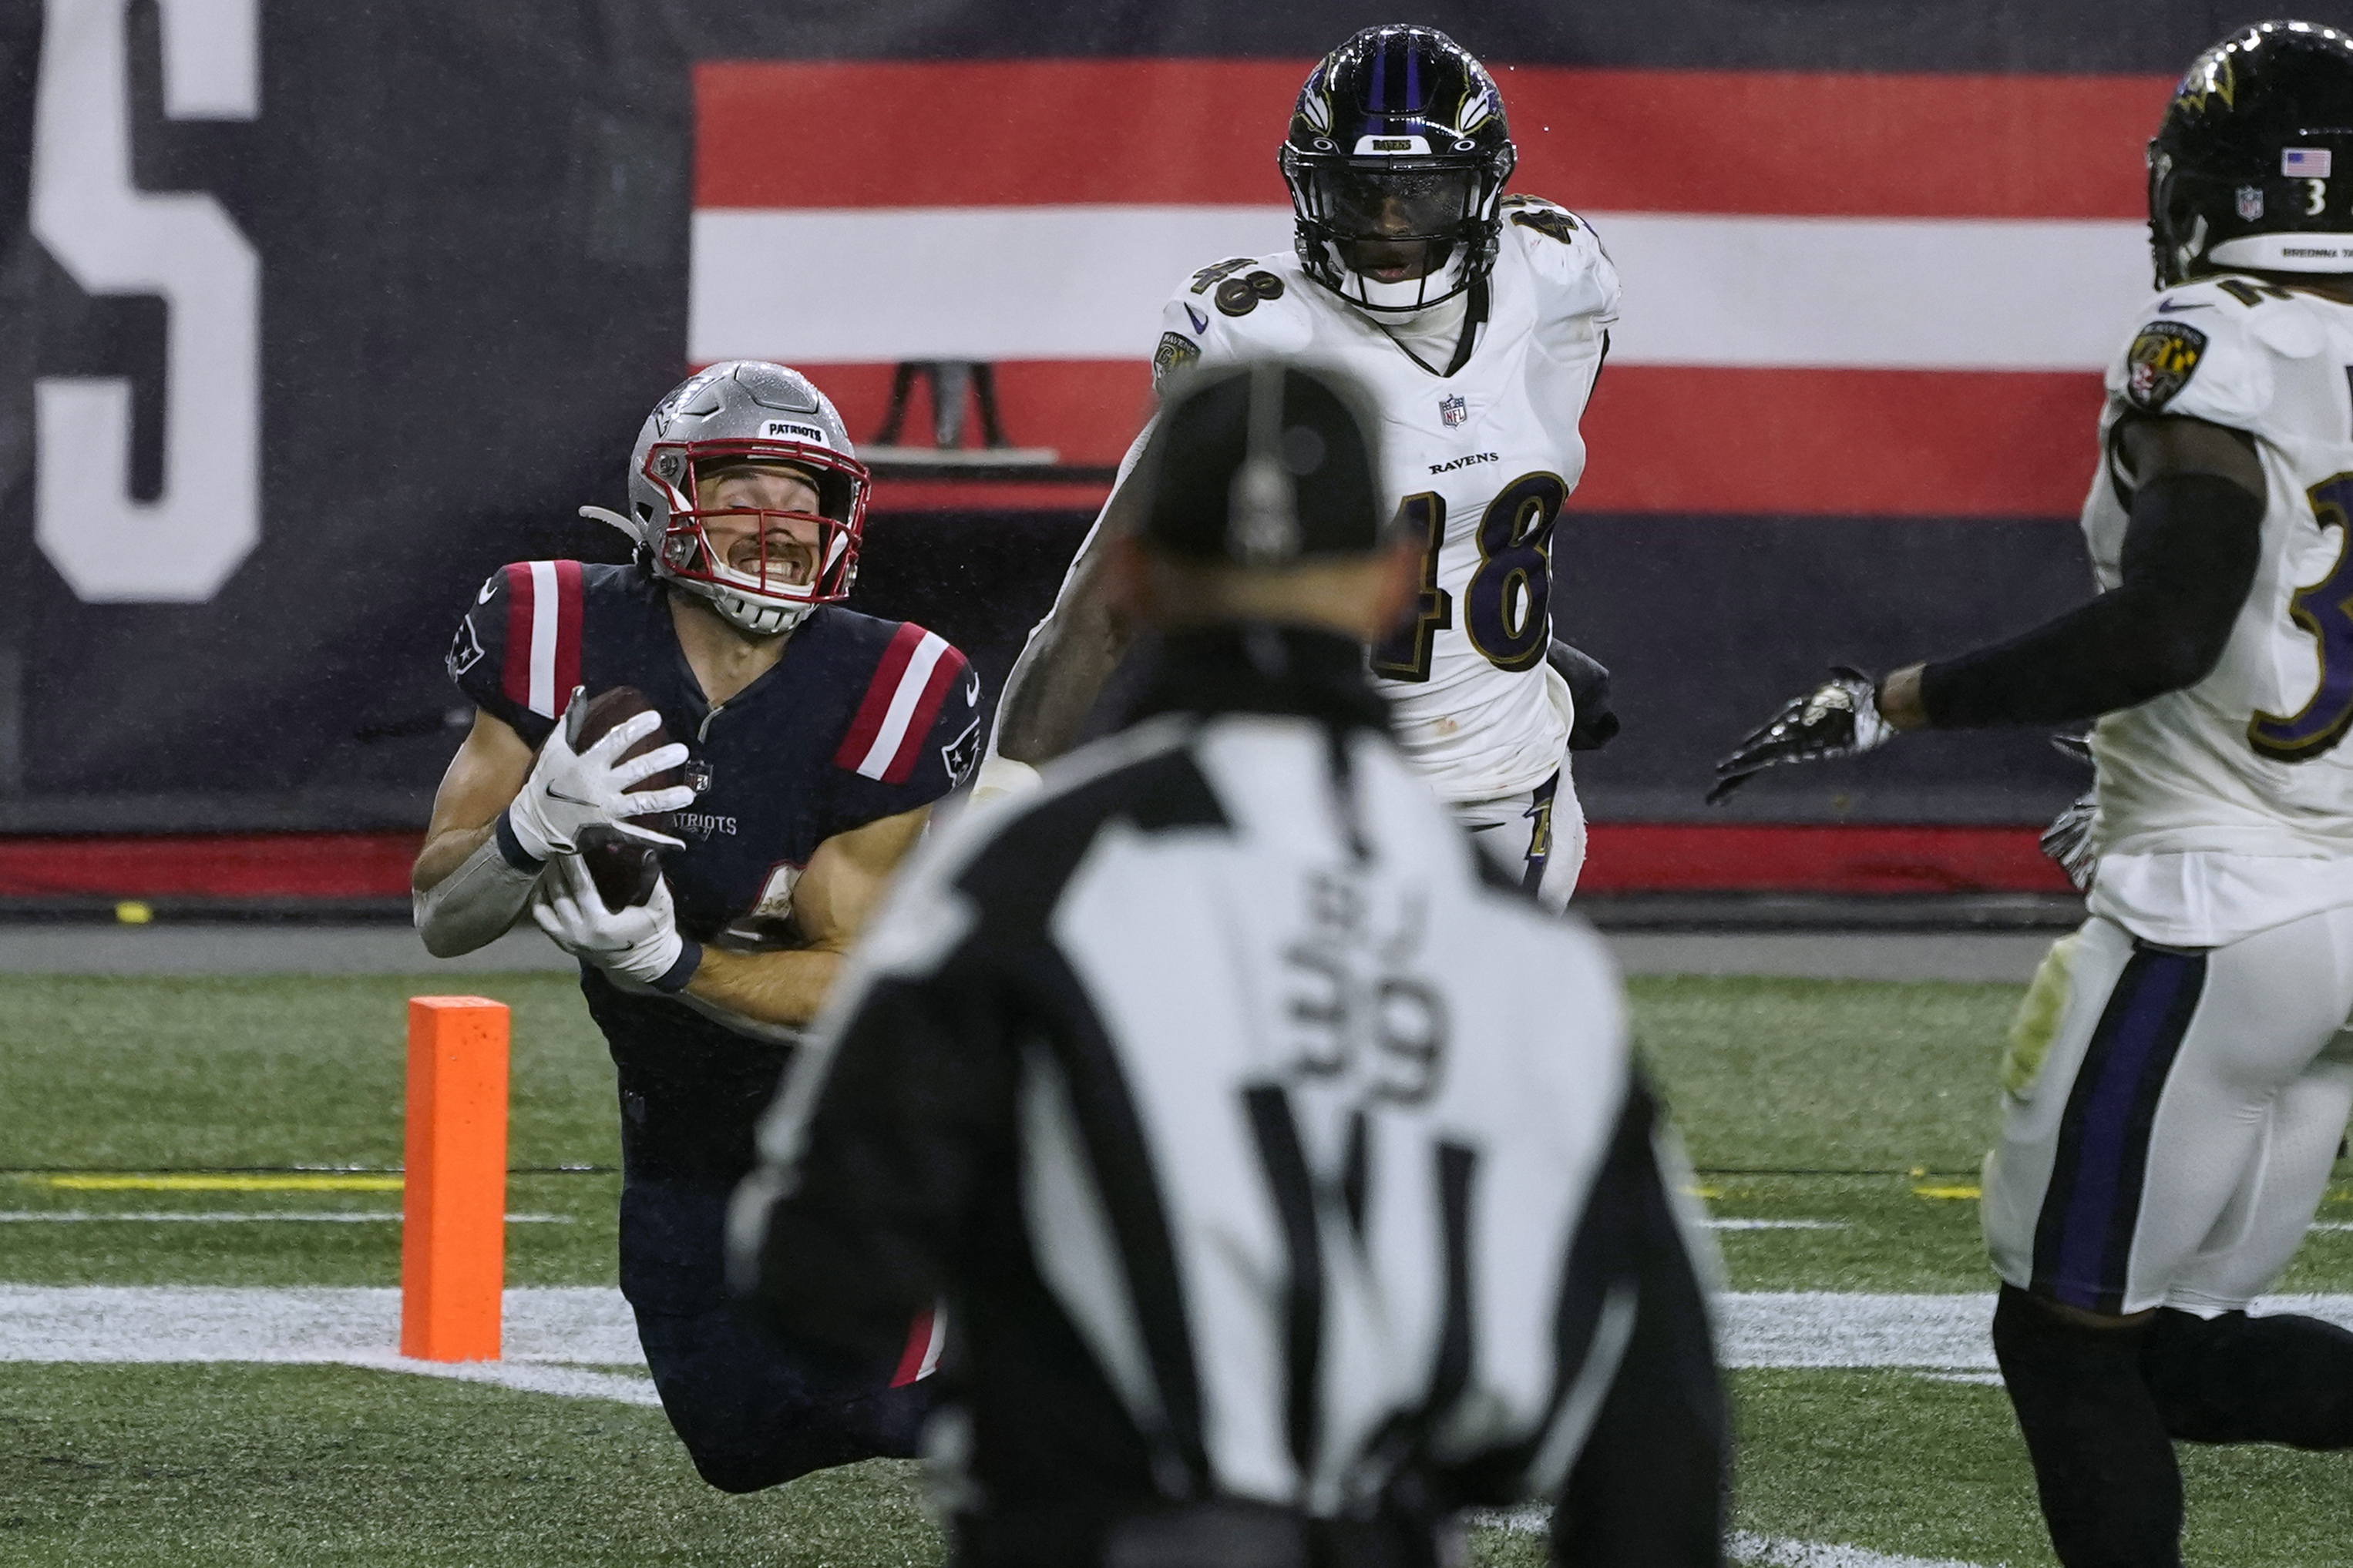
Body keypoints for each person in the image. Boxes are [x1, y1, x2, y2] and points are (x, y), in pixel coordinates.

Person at [730, 361, 1726, 1568]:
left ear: (1137, 577)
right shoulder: (1518, 945)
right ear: (1396, 580)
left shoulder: (1024, 881)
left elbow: (820, 1278)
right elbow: (1658, 1418)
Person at [1709, 22, 2353, 1566]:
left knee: (2060, 1344)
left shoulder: (2213, 339)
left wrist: (1892, 700)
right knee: (2165, 1355)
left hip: (2221, 906)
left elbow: (2162, 626)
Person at [411, 360, 981, 1490]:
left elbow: (852, 992)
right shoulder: (556, 624)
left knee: (885, 1392)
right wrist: (529, 829)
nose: (775, 523)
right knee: (739, 1442)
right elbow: (441, 912)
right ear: (666, 499)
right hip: (673, 1102)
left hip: (856, 1115)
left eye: (801, 494)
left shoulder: (894, 684)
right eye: (742, 489)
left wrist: (672, 962)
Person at [976, 24, 1621, 909]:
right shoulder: (1253, 330)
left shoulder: (1555, 278)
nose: (1389, 226)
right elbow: (1099, 605)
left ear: (1482, 192)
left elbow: (1486, 510)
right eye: (1358, 193)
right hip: (1311, 793)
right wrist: (997, 807)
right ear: (1308, 187)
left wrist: (1507, 642)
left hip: (1510, 797)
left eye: (1423, 193)